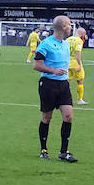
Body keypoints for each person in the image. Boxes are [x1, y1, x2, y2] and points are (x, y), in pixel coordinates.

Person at [34, 15, 77, 162]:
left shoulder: (66, 44)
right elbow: (36, 65)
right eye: (70, 24)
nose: (71, 27)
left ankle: (64, 151)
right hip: (48, 84)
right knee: (47, 118)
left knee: (68, 116)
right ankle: (43, 149)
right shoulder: (46, 44)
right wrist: (53, 70)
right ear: (64, 26)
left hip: (63, 84)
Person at [67, 26, 88, 105]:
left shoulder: (68, 39)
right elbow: (77, 52)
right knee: (80, 81)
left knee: (65, 82)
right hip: (75, 63)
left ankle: (60, 99)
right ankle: (80, 99)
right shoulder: (79, 41)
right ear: (82, 34)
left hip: (66, 63)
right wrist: (79, 64)